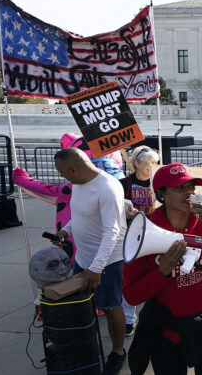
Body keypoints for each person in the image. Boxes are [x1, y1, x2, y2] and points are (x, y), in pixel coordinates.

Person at [123, 163, 202, 374]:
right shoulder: (144, 231)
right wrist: (162, 271)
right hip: (166, 331)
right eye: (179, 188)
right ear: (161, 194)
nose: (189, 193)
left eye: (191, 187)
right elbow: (131, 295)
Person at [52, 147, 128, 375]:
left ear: (74, 168)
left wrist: (97, 268)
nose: (62, 176)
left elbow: (112, 232)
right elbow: (79, 216)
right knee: (84, 306)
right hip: (84, 258)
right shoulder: (78, 183)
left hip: (108, 261)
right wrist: (65, 231)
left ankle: (118, 352)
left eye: (63, 172)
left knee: (111, 307)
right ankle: (88, 346)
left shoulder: (107, 188)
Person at [119, 144, 162, 337]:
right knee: (132, 277)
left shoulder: (159, 183)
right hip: (132, 236)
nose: (152, 167)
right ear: (136, 163)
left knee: (157, 274)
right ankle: (129, 320)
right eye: (148, 164)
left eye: (155, 163)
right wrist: (127, 214)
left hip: (156, 235)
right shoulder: (124, 184)